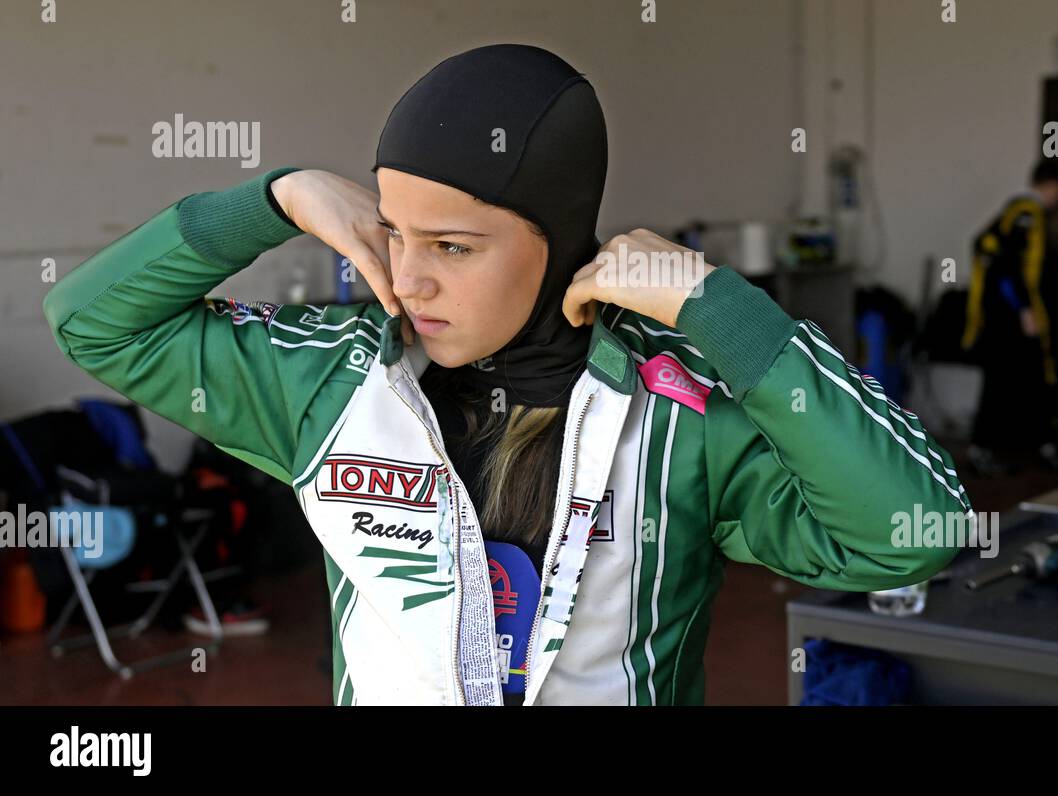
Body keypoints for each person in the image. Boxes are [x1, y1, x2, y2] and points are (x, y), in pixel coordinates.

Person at [44, 42, 971, 706]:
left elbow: (905, 535)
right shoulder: (328, 377)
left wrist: (726, 314)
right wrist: (276, 199)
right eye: (396, 233)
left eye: (453, 244)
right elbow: (92, 322)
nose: (408, 277)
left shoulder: (676, 414)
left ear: (558, 239)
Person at [961, 158, 1058, 476]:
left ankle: (1030, 446)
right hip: (1006, 318)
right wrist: (1024, 309)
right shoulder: (1026, 213)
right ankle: (984, 451)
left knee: (1023, 380)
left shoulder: (1019, 211)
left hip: (1007, 314)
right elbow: (1005, 265)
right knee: (1001, 382)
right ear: (1051, 187)